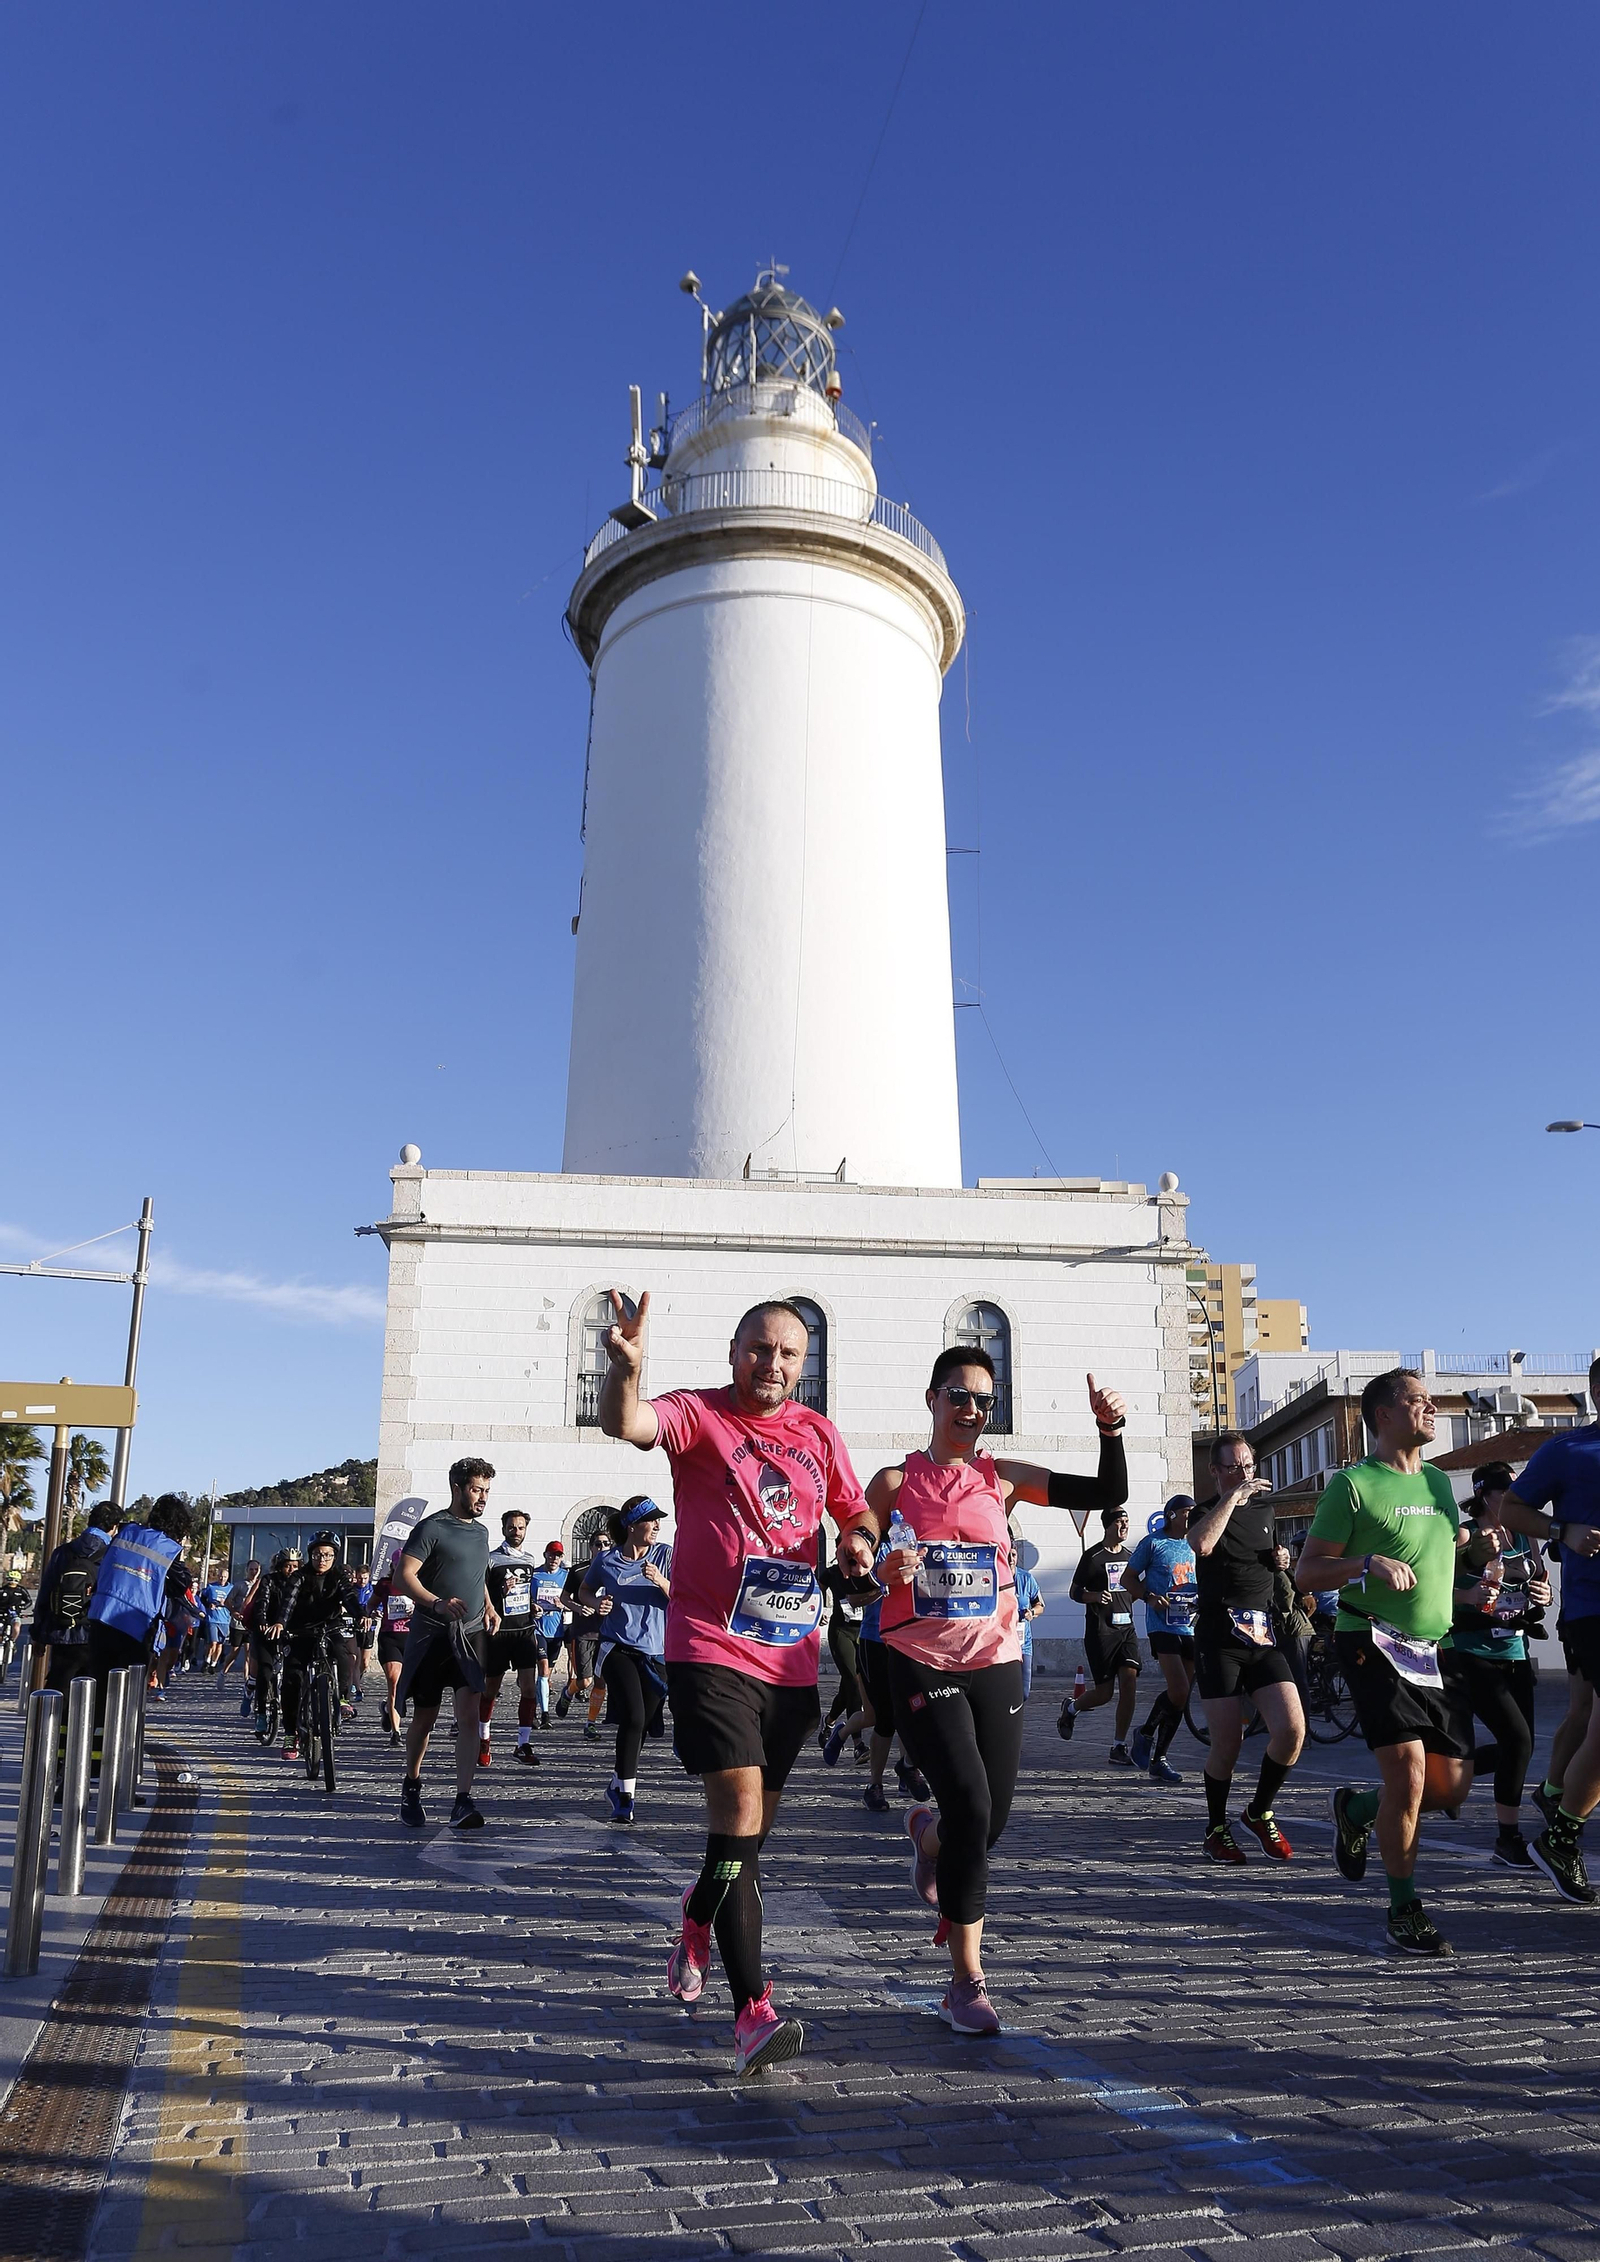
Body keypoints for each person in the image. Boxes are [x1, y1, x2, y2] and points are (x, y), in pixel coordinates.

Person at [600, 1291, 869, 2078]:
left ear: (804, 1364)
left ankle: (696, 1911)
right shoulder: (698, 1414)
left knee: (745, 1847)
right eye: (759, 1348)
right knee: (741, 1814)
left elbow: (855, 1512)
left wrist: (857, 1544)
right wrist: (628, 1371)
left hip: (790, 1656)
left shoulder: (818, 1433)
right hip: (708, 1647)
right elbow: (630, 1423)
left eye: (788, 1353)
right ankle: (753, 2012)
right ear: (733, 1350)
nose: (773, 1363)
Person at [870, 1356, 1129, 2036]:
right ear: (932, 1398)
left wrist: (1111, 1426)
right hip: (920, 1659)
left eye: (986, 1399)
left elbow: (1106, 1489)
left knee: (988, 1826)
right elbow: (846, 1570)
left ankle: (929, 1836)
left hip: (997, 1660)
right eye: (959, 1395)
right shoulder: (895, 1483)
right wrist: (877, 1567)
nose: (972, 1409)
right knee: (972, 1802)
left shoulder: (1002, 1478)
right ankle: (966, 1981)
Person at [1301, 1370, 1494, 1954]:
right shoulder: (1353, 1485)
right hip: (1371, 1642)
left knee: (1450, 1788)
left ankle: (1356, 1810)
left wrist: (1482, 1573)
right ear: (1384, 1414)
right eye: (1419, 1400)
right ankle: (1404, 1908)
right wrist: (1366, 1564)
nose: (1433, 1406)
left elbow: (1441, 1561)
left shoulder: (1438, 1484)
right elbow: (1307, 1572)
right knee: (1407, 1778)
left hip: (1435, 1650)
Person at [1503, 1362, 1600, 1901]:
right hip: (1593, 1606)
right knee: (1588, 1716)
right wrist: (1565, 1531)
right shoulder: (1568, 1450)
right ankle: (1561, 1834)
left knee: (1586, 1715)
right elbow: (1513, 1509)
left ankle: (1557, 1797)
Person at [1191, 1433, 1304, 1866]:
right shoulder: (1205, 1513)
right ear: (1216, 1471)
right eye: (1234, 1467)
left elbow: (1270, 1559)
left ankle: (1259, 1811)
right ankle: (1216, 1828)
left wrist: (1282, 1561)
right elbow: (1201, 1545)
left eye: (1249, 1466)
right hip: (1220, 1639)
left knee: (1292, 1731)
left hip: (1261, 1633)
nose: (1245, 1474)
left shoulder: (1267, 1510)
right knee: (1228, 1744)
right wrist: (1232, 1497)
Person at [1442, 1460, 1549, 1870]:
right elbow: (1435, 1586)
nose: (1512, 1497)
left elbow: (1537, 1582)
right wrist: (1470, 1599)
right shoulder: (1467, 1534)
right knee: (1517, 1742)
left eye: (1516, 1490)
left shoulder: (1526, 1533)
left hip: (1515, 1649)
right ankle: (1508, 1839)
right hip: (1472, 1651)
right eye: (1504, 1491)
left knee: (1519, 1745)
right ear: (1483, 1495)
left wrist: (1542, 1593)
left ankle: (1450, 1785)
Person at [395, 1458, 500, 1831]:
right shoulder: (432, 1527)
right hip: (432, 1634)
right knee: (426, 1716)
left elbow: (477, 1574)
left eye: (487, 1490)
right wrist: (436, 1602)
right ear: (457, 1487)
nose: (483, 1497)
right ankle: (412, 1784)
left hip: (471, 1634)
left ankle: (462, 1800)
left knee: (470, 1715)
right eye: (476, 1489)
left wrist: (487, 1605)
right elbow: (403, 1576)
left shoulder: (483, 1533)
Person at [581, 1496, 673, 1820]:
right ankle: (625, 1796)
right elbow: (584, 1591)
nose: (658, 1524)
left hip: (655, 1652)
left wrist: (660, 1580)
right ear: (632, 1526)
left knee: (643, 1723)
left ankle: (616, 1781)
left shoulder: (666, 1555)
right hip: (616, 1648)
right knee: (633, 1717)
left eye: (659, 1519)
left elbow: (683, 1595)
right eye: (651, 1520)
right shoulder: (606, 1561)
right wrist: (597, 1603)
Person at [85, 1494, 195, 1721]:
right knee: (127, 1699)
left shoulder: (126, 1533)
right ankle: (119, 1750)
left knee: (98, 1690)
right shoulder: (167, 1549)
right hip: (135, 1626)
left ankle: (93, 1746)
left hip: (101, 1616)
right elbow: (181, 1583)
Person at [266, 1531, 365, 1759]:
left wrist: (361, 1614)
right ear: (311, 1555)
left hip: (329, 1628)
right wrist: (281, 1622)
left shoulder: (339, 1576)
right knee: (292, 1679)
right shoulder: (299, 1576)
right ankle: (290, 1734)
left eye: (328, 1555)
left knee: (343, 1654)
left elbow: (349, 1597)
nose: (323, 1560)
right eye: (318, 1555)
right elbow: (289, 1600)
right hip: (301, 1632)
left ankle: (342, 1699)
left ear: (335, 1557)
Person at [1124, 1496, 1198, 1784]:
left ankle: (1159, 1757)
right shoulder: (1153, 1543)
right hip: (1162, 1625)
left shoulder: (1197, 1543)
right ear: (1171, 1515)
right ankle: (1144, 1733)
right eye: (1186, 1513)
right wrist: (1148, 1596)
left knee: (1181, 1696)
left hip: (1190, 1624)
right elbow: (1129, 1578)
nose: (1191, 1517)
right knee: (1177, 1689)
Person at [1059, 1505, 1140, 1760]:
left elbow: (1135, 1589)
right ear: (1108, 1525)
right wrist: (1094, 1596)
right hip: (1100, 1633)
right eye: (1120, 1522)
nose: (1125, 1526)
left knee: (1129, 1683)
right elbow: (1074, 1592)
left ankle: (1118, 1746)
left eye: (1127, 1521)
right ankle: (1072, 1708)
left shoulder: (1130, 1557)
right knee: (1104, 1694)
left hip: (1126, 1630)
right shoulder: (1093, 1557)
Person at [34, 1500, 120, 1697]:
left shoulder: (63, 1552)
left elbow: (45, 1593)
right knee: (91, 1697)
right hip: (97, 1634)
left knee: (58, 1691)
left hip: (61, 1632)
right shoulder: (113, 1556)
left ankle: (54, 1728)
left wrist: (39, 1634)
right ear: (114, 1527)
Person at [480, 1509, 544, 1768]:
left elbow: (524, 1592)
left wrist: (531, 1605)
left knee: (529, 1687)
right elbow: (481, 1593)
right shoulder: (492, 1559)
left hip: (524, 1631)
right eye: (511, 1527)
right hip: (499, 1633)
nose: (516, 1532)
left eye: (520, 1528)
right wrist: (499, 1590)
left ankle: (523, 1743)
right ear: (503, 1528)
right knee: (491, 1689)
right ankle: (483, 1739)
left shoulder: (529, 1560)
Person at [819, 1560, 868, 1762]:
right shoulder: (830, 1573)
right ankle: (858, 1745)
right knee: (853, 1683)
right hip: (841, 1632)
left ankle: (829, 1721)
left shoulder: (868, 1570)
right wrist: (818, 1609)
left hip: (864, 1633)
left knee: (848, 1686)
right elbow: (816, 1589)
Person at [249, 1549, 299, 1738]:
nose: (291, 1570)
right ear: (280, 1566)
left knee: (292, 1675)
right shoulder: (269, 1580)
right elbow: (262, 1602)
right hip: (267, 1632)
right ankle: (261, 1712)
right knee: (265, 1671)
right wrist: (262, 1622)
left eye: (295, 1566)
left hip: (291, 1633)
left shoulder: (302, 1582)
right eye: (288, 1566)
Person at [557, 1532, 605, 1720]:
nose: (602, 1547)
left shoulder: (614, 1570)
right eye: (598, 1544)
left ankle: (590, 1723)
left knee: (601, 1682)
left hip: (606, 1633)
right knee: (585, 1681)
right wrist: (579, 1608)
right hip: (584, 1633)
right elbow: (564, 1598)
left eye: (606, 1544)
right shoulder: (578, 1571)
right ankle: (568, 1693)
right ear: (591, 1547)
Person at [368, 1559, 414, 1742]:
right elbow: (371, 1604)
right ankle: (397, 1732)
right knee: (394, 1682)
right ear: (393, 1566)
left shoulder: (418, 1583)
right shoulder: (385, 1584)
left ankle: (388, 1708)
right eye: (398, 1564)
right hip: (390, 1636)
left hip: (412, 1637)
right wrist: (373, 1612)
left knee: (411, 1685)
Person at [532, 1541, 568, 1726]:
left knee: (545, 1676)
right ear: (545, 1555)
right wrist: (533, 1606)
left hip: (557, 1631)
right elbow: (526, 1598)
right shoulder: (535, 1575)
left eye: (558, 1556)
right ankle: (545, 1714)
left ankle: (534, 1710)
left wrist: (563, 1605)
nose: (554, 1559)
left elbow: (572, 1600)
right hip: (538, 1629)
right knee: (543, 1668)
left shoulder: (565, 1576)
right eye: (551, 1555)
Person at [1012, 1526, 1044, 1701]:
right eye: (1007, 1555)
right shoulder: (995, 1577)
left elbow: (1040, 1605)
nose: (1010, 1559)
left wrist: (1032, 1612)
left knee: (1024, 1692)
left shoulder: (1026, 1578)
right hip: (1001, 1643)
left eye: (1014, 1555)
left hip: (1023, 1642)